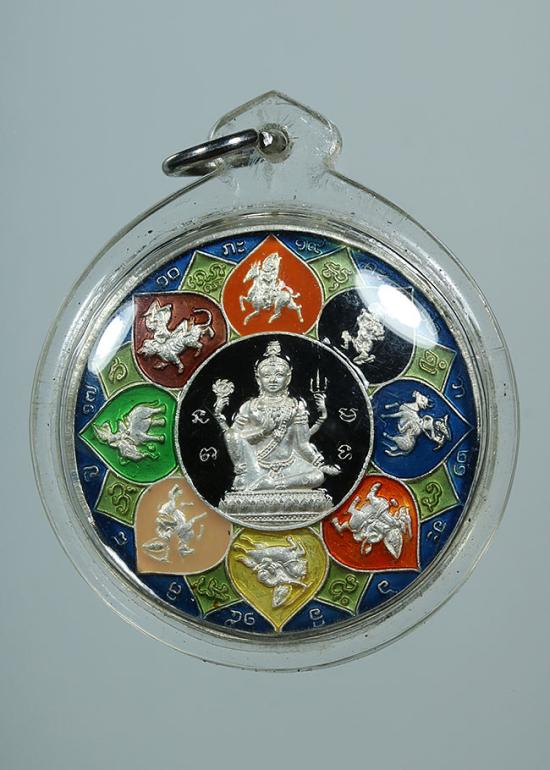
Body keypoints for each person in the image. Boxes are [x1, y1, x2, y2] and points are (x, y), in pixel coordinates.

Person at [213, 340, 340, 493]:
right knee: (231, 434)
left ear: (288, 378)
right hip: (256, 467)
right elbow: (234, 439)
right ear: (258, 379)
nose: (273, 380)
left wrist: (320, 465)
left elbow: (302, 444)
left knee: (317, 476)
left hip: (289, 465)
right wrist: (263, 431)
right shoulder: (250, 406)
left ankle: (270, 484)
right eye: (267, 375)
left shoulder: (296, 406)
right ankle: (252, 479)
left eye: (279, 375)